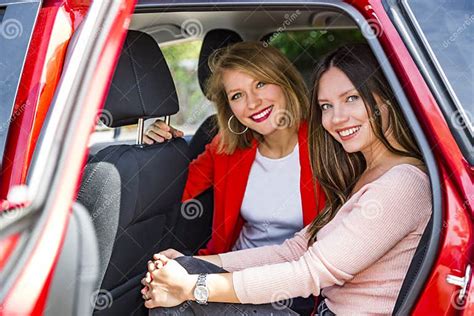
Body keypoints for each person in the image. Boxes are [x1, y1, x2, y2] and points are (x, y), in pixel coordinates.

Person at [141, 43, 432, 315]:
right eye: (327, 106)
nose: (337, 118)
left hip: (308, 291)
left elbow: (309, 270)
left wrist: (195, 286)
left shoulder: (351, 161)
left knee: (178, 299)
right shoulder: (362, 168)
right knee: (176, 281)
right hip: (291, 280)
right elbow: (294, 249)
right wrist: (157, 152)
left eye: (352, 98)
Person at [144, 41, 326, 257]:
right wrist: (159, 151)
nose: (253, 103)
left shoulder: (326, 142)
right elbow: (170, 193)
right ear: (229, 108)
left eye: (260, 84)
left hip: (301, 277)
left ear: (285, 81)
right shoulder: (224, 149)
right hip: (232, 272)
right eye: (237, 95)